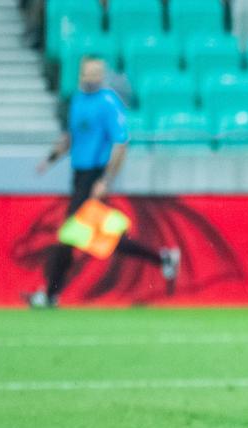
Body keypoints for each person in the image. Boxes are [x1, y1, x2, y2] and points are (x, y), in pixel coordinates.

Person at [29, 56, 179, 308]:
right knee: (102, 238)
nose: (93, 77)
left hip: (94, 177)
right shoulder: (76, 101)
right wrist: (51, 158)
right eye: (89, 73)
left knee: (69, 234)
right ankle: (162, 258)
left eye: (98, 73)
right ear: (81, 75)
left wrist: (105, 179)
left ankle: (49, 294)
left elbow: (121, 143)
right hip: (79, 177)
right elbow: (71, 137)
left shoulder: (109, 103)